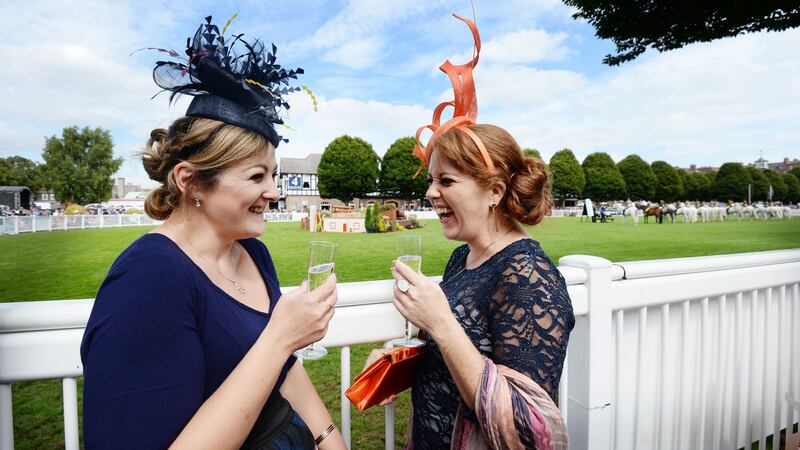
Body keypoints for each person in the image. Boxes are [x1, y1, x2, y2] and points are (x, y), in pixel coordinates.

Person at [80, 16, 345, 449]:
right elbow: (274, 353)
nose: (274, 192)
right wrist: (280, 337)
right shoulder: (149, 278)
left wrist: (331, 440)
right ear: (190, 181)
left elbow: (286, 373)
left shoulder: (253, 254)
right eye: (257, 176)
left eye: (273, 175)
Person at [381, 14, 574, 449]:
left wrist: (440, 321)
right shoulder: (462, 257)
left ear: (494, 191)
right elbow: (459, 362)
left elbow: (528, 434)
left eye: (446, 182)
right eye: (431, 180)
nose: (431, 193)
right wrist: (401, 363)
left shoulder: (528, 275)